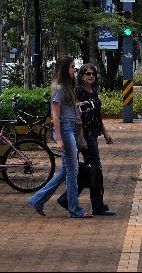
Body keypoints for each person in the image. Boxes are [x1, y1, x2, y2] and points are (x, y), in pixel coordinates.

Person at [27, 56, 93, 218]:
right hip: (65, 129)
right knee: (72, 171)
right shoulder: (58, 88)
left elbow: (66, 108)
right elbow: (55, 115)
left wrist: (79, 105)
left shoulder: (66, 87)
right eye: (72, 67)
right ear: (65, 69)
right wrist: (59, 139)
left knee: (67, 170)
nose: (74, 70)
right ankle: (74, 209)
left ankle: (37, 199)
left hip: (69, 126)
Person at [57, 63, 116, 216]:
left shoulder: (93, 92)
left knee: (90, 170)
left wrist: (106, 133)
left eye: (93, 74)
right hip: (85, 135)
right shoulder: (79, 92)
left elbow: (97, 115)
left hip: (93, 134)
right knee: (95, 168)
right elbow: (78, 117)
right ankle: (97, 205)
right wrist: (81, 137)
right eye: (87, 73)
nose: (91, 76)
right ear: (81, 76)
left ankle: (67, 199)